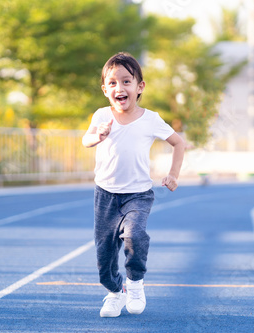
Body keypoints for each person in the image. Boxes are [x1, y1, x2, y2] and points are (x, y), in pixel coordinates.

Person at [82, 52, 185, 317]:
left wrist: (173, 174)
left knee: (135, 235)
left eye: (126, 81)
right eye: (113, 83)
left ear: (140, 87)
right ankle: (115, 293)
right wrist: (98, 135)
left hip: (138, 194)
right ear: (105, 89)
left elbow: (178, 143)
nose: (120, 88)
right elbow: (85, 141)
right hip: (105, 195)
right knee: (104, 255)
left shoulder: (150, 119)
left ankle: (135, 283)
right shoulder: (101, 115)